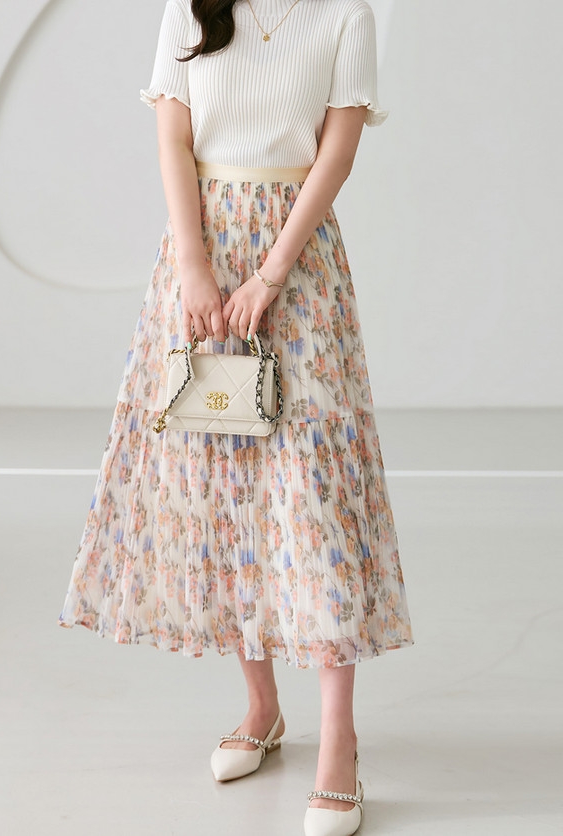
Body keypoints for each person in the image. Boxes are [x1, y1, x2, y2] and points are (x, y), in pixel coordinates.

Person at [57, 1, 413, 833]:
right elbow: (173, 137)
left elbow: (336, 153)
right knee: (227, 487)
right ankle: (261, 709)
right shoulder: (189, 6)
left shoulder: (344, 15)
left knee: (315, 502)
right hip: (201, 258)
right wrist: (193, 263)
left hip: (299, 262)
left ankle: (338, 744)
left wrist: (273, 273)